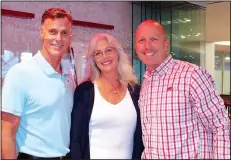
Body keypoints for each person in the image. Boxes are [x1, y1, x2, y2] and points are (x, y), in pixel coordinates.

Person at [135, 19, 230, 159]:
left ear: (166, 44)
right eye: (141, 40)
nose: (147, 46)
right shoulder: (146, 84)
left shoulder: (192, 75)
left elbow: (220, 126)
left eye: (154, 39)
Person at [1, 8, 75, 159]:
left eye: (64, 33)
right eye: (53, 32)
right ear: (42, 32)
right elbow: (6, 134)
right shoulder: (19, 74)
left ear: (70, 36)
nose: (59, 38)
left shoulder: (68, 77)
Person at [69, 33, 144, 159]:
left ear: (118, 53)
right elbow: (75, 141)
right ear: (93, 60)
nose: (104, 56)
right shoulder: (84, 92)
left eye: (108, 50)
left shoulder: (135, 91)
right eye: (98, 53)